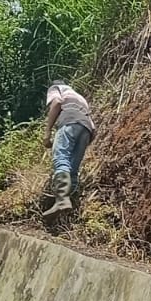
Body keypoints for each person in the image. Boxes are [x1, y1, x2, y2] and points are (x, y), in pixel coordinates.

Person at [42, 80, 94, 217]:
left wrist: (47, 131)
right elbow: (92, 123)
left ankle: (61, 200)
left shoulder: (56, 88)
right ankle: (71, 207)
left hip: (69, 122)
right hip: (86, 129)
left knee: (61, 158)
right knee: (73, 168)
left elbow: (57, 102)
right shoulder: (79, 97)